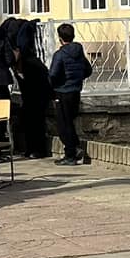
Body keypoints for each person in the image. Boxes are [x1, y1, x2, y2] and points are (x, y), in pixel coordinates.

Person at [5, 17, 51, 158]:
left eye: (14, 51)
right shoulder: (17, 64)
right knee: (27, 121)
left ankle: (38, 150)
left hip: (39, 97)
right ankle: (30, 149)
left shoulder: (31, 63)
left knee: (36, 122)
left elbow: (42, 82)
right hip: (29, 99)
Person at [48, 23, 93, 165]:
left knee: (63, 125)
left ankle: (70, 154)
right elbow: (88, 70)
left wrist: (53, 85)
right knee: (70, 122)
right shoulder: (79, 53)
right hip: (75, 91)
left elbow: (53, 74)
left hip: (62, 92)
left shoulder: (60, 55)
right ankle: (74, 149)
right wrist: (77, 79)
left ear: (60, 38)